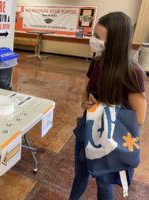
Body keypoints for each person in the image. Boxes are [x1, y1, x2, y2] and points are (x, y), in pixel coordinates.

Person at [69, 12, 147, 200]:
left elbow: (139, 118)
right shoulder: (97, 62)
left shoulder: (133, 72)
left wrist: (103, 108)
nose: (93, 40)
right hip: (87, 128)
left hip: (110, 138)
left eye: (98, 37)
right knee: (81, 174)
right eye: (93, 34)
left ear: (115, 41)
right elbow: (86, 89)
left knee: (104, 182)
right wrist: (85, 103)